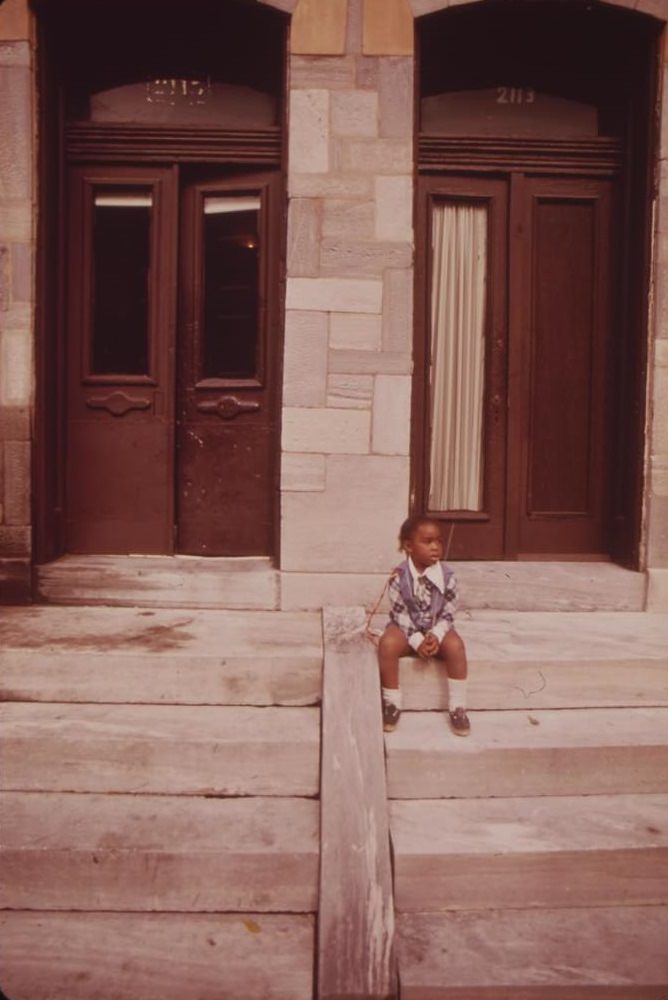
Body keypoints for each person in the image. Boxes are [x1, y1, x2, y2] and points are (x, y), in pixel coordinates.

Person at [377, 514, 470, 736]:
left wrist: (436, 635)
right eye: (427, 542)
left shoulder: (447, 577)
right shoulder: (399, 577)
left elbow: (448, 612)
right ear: (409, 546)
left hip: (437, 627)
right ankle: (391, 702)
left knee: (456, 646)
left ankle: (458, 706)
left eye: (438, 541)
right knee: (388, 644)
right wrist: (417, 640)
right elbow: (400, 614)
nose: (436, 547)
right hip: (406, 628)